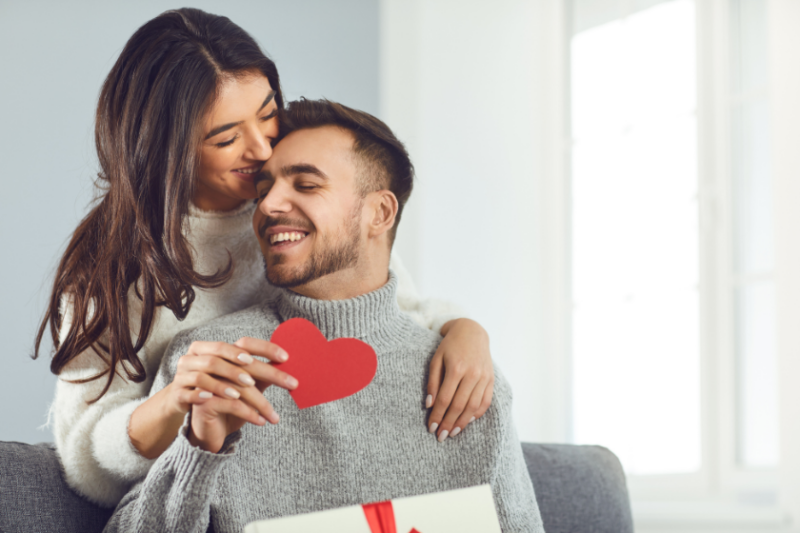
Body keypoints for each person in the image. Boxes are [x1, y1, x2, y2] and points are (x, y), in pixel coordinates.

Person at [34, 8, 495, 508]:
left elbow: (390, 311)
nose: (261, 146)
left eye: (268, 111)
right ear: (168, 148)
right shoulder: (115, 266)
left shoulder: (305, 212)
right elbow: (84, 459)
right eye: (226, 138)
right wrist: (175, 403)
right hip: (199, 489)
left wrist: (464, 329)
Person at [104, 99, 545, 533]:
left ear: (380, 212)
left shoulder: (469, 380)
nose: (268, 205)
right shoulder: (211, 365)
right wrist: (199, 448)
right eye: (263, 190)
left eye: (306, 185)